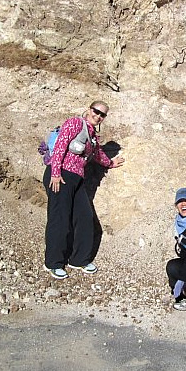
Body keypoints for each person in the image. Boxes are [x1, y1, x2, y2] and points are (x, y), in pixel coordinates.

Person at [42, 100, 125, 280]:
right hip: (60, 175)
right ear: (89, 109)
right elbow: (60, 146)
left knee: (85, 217)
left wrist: (111, 163)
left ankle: (79, 259)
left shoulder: (93, 134)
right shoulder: (75, 123)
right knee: (60, 218)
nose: (98, 116)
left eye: (103, 114)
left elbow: (96, 154)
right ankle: (53, 262)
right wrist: (55, 173)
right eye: (96, 111)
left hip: (76, 178)